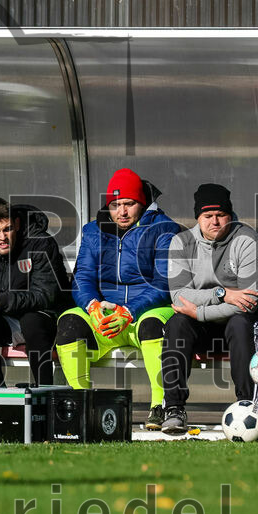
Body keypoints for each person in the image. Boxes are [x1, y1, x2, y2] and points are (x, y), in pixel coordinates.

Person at [54, 168, 181, 430]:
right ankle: (81, 403)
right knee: (69, 323)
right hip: (107, 315)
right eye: (115, 205)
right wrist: (93, 305)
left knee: (153, 325)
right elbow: (82, 278)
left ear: (142, 203)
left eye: (129, 204)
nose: (121, 212)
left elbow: (164, 283)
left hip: (146, 312)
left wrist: (130, 310)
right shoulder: (93, 231)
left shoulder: (164, 229)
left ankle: (160, 405)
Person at [160, 184, 258, 434]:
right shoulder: (182, 242)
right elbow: (178, 296)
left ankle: (249, 406)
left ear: (230, 215)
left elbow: (249, 302)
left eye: (221, 215)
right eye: (207, 216)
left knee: (242, 323)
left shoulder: (248, 240)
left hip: (238, 322)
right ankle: (174, 408)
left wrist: (199, 311)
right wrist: (222, 294)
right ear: (198, 217)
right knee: (176, 324)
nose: (215, 222)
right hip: (202, 326)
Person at [0, 197, 70, 425]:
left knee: (32, 321)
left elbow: (46, 295)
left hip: (46, 319)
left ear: (18, 225)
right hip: (6, 319)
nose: (2, 237)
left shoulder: (41, 243)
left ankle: (43, 403)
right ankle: (1, 399)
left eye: (8, 229)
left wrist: (0, 301)